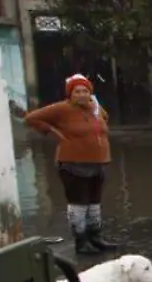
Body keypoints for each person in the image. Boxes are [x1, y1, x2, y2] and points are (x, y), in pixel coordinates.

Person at [23, 73, 118, 255]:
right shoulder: (62, 109)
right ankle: (81, 241)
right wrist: (52, 130)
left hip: (99, 162)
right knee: (79, 203)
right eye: (77, 92)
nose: (81, 95)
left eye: (85, 91)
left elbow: (104, 120)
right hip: (73, 164)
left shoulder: (95, 108)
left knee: (94, 202)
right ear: (70, 94)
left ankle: (95, 237)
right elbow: (31, 118)